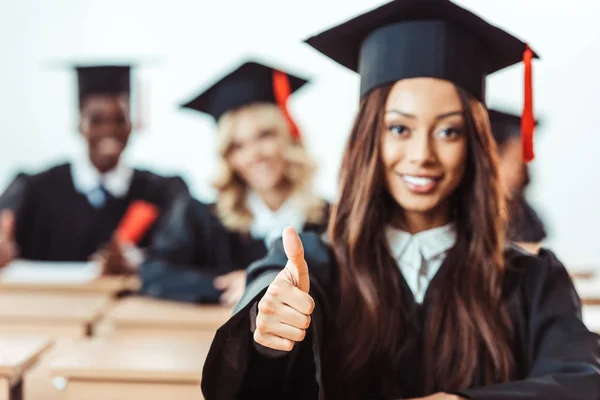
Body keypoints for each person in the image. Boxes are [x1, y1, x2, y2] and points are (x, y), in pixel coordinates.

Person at [201, 1, 600, 399]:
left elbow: (581, 381)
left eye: (448, 132)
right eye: (399, 128)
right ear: (369, 138)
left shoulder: (532, 280)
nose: (422, 154)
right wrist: (264, 333)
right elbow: (260, 330)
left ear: (475, 145)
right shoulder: (315, 268)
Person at [140, 61, 329, 306]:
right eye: (238, 146)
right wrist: (227, 286)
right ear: (228, 157)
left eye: (265, 135)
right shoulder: (203, 219)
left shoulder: (328, 219)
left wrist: (259, 282)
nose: (254, 155)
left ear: (288, 136)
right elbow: (153, 273)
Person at [0, 65, 189, 274]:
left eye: (119, 119)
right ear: (79, 124)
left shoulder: (163, 192)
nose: (109, 129)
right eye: (96, 120)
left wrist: (138, 261)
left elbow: (184, 252)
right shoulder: (33, 190)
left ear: (132, 124)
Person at [489, 109, 546, 253]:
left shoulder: (526, 215)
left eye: (522, 163)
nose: (517, 171)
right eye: (512, 161)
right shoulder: (470, 211)